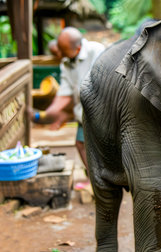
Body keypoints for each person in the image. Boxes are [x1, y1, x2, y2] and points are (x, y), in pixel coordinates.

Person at [31, 27, 105, 176]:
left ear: (77, 49)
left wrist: (63, 113)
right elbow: (64, 92)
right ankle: (96, 180)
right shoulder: (66, 61)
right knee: (81, 144)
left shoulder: (97, 51)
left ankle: (108, 179)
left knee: (103, 148)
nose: (61, 57)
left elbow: (98, 87)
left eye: (64, 52)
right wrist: (49, 113)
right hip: (83, 114)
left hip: (102, 112)